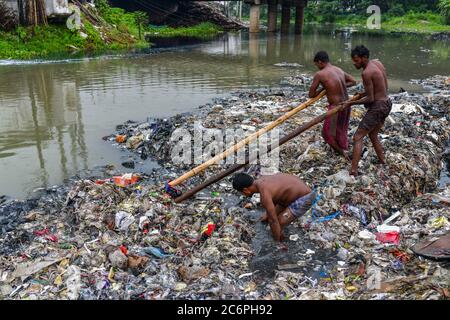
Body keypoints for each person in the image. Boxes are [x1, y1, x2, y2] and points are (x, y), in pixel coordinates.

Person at [342, 45, 392, 176]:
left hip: (378, 107)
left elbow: (370, 99)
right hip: (387, 103)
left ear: (364, 58)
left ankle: (353, 170)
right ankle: (383, 161)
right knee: (372, 134)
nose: (354, 63)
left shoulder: (366, 73)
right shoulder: (377, 63)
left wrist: (350, 103)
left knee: (358, 136)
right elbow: (381, 86)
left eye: (356, 60)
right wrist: (362, 93)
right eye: (353, 60)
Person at [232, 172, 316, 242]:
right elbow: (276, 194)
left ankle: (281, 241)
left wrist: (276, 242)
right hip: (289, 195)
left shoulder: (265, 195)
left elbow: (273, 221)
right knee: (265, 218)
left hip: (305, 197)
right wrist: (268, 214)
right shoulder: (262, 179)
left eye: (242, 193)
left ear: (246, 190)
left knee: (279, 223)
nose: (243, 195)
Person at [309, 51, 356, 159]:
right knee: (341, 130)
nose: (317, 68)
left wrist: (324, 88)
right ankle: (343, 149)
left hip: (336, 107)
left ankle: (342, 153)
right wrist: (333, 87)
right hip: (346, 105)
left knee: (327, 134)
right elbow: (353, 81)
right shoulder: (338, 69)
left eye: (317, 65)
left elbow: (311, 94)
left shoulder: (320, 74)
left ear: (320, 62)